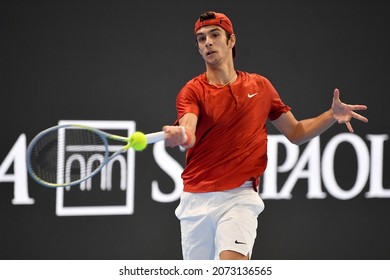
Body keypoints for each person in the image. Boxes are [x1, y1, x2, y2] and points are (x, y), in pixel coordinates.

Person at [162, 11, 368, 260]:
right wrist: (181, 136)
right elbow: (189, 131)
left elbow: (295, 132)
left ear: (231, 40)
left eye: (215, 35)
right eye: (201, 38)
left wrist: (331, 116)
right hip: (196, 200)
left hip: (239, 197)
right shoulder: (191, 91)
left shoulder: (260, 87)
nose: (208, 42)